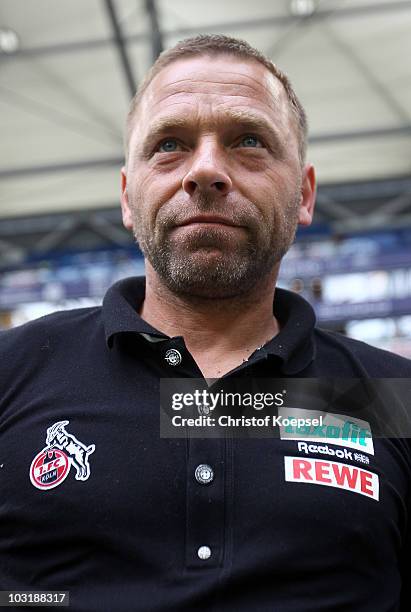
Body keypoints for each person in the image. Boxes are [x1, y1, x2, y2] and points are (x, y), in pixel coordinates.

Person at [1, 34, 411, 612]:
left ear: (304, 193)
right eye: (169, 144)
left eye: (248, 141)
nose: (207, 171)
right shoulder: (13, 373)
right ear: (126, 196)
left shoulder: (391, 397)